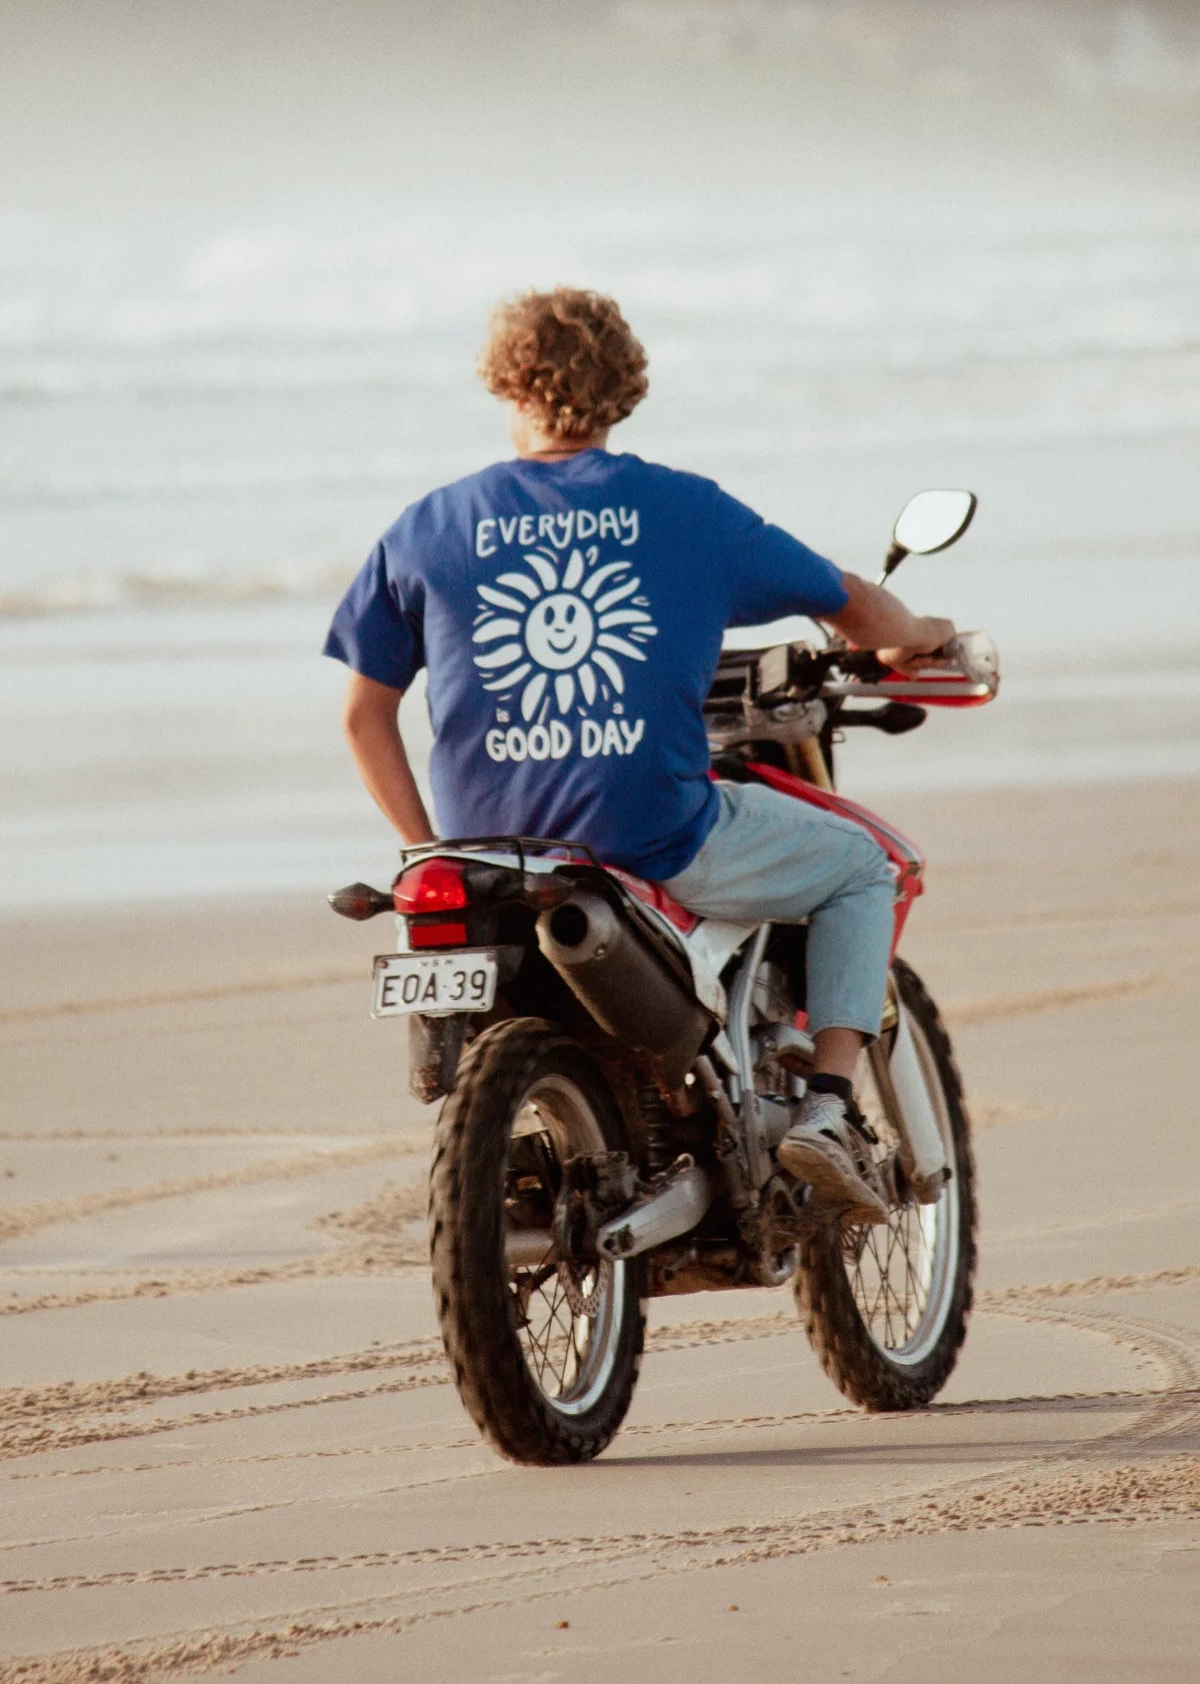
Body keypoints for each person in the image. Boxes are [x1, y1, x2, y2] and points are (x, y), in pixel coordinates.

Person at [325, 288, 956, 1223]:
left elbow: (363, 718)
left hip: (485, 853)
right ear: (624, 388)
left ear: (503, 384)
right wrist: (917, 635)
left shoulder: (427, 526)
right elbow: (851, 603)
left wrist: (427, 849)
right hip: (653, 837)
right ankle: (827, 1105)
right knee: (862, 868)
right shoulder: (686, 511)